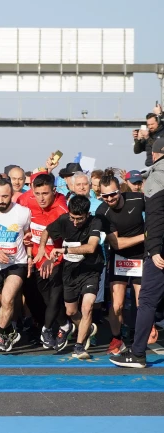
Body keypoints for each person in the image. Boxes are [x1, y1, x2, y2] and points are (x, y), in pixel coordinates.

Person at [111, 138, 164, 368]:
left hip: (160, 250)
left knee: (147, 301)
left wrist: (153, 249)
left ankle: (138, 353)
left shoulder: (157, 174)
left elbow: (155, 216)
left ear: (154, 155)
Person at [36, 195, 102, 359]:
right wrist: (42, 248)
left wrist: (64, 250)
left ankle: (79, 347)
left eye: (79, 219)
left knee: (87, 307)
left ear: (87, 214)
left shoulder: (96, 222)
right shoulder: (64, 219)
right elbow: (47, 230)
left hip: (90, 271)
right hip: (70, 272)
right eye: (72, 217)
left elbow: (91, 247)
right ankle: (86, 330)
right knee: (71, 312)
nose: (74, 222)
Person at [17, 173, 71, 350]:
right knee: (44, 298)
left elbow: (67, 242)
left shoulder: (62, 210)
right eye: (37, 193)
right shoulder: (27, 199)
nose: (41, 198)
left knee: (55, 295)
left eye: (45, 194)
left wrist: (51, 259)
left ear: (54, 191)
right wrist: (25, 236)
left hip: (57, 258)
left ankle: (47, 329)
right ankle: (63, 324)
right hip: (37, 259)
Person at [0, 178, 32, 352]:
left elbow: (27, 235)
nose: (1, 200)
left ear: (12, 195)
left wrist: (30, 256)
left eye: (5, 196)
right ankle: (10, 330)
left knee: (8, 299)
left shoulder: (23, 212)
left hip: (17, 263)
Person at [97, 170, 145, 355]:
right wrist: (145, 236)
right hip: (119, 258)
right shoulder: (103, 212)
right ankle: (116, 337)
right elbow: (117, 243)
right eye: (105, 196)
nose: (110, 198)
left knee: (142, 303)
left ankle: (142, 334)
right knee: (116, 305)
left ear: (120, 190)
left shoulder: (137, 199)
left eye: (113, 194)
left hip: (140, 256)